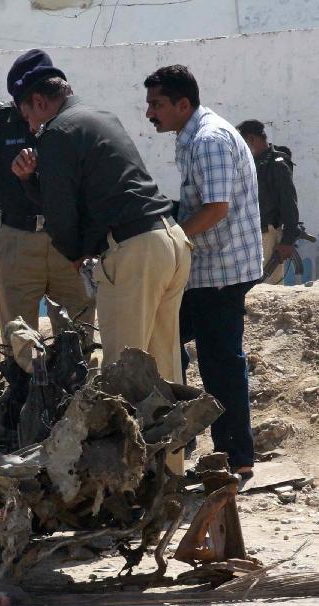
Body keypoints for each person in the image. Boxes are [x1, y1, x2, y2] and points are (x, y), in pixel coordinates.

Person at [10, 51, 191, 386]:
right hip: (169, 242)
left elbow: (61, 216)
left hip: (134, 253)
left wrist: (76, 256)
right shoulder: (100, 117)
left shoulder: (58, 132)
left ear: (38, 101)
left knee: (123, 373)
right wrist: (32, 181)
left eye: (26, 116)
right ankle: (175, 441)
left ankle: (133, 440)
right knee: (162, 368)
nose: (30, 127)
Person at [144, 64, 262, 477]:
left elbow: (216, 209)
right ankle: (185, 437)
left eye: (156, 105)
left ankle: (236, 458)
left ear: (182, 103)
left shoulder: (209, 139)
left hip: (222, 268)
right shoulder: (191, 135)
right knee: (166, 341)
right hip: (208, 265)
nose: (149, 114)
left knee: (220, 360)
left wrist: (172, 239)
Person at [0, 50, 92, 334]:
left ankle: (77, 380)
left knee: (80, 333)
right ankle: (23, 380)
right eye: (18, 101)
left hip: (68, 242)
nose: (26, 113)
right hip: (17, 241)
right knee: (18, 338)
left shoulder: (74, 120)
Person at [237, 119, 300, 285]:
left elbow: (289, 204)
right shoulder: (253, 163)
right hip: (250, 236)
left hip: (267, 237)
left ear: (251, 139)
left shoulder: (276, 164)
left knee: (267, 292)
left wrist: (287, 241)